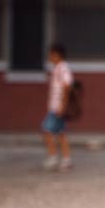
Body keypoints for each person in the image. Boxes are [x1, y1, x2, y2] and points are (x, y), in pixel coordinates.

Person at [42, 43, 74, 171]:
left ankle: (53, 156)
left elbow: (67, 85)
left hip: (57, 107)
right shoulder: (57, 68)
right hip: (56, 106)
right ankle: (66, 159)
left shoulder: (62, 68)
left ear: (57, 54)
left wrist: (63, 105)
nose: (49, 57)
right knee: (61, 133)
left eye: (51, 54)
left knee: (47, 129)